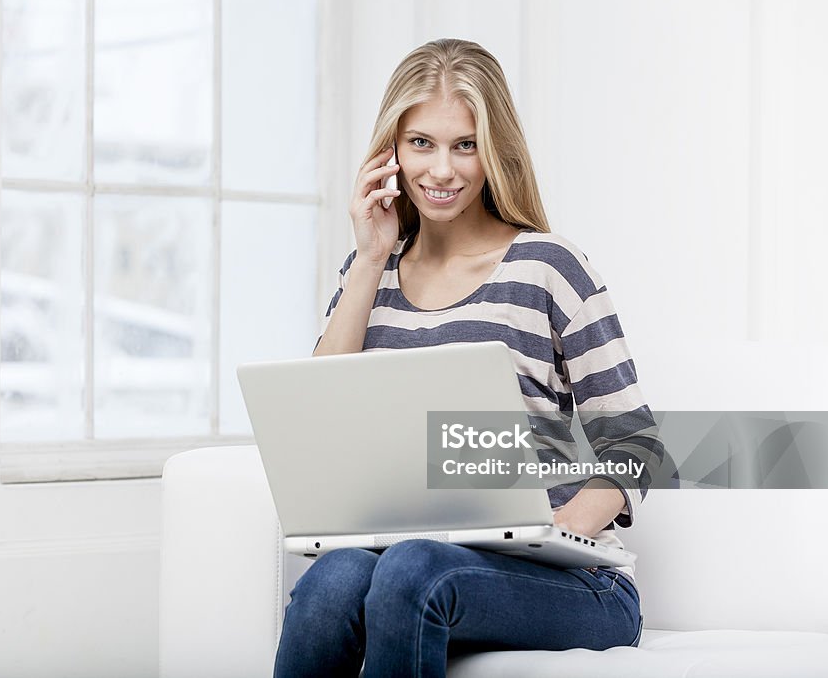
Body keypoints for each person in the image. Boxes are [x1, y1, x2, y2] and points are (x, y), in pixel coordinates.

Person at [274, 39, 664, 678]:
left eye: (465, 144)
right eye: (421, 143)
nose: (442, 170)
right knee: (333, 580)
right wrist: (370, 259)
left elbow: (637, 444)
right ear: (390, 153)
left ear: (494, 151)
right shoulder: (367, 274)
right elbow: (320, 431)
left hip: (571, 582)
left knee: (413, 568)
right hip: (421, 561)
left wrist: (556, 530)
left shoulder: (548, 267)